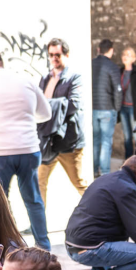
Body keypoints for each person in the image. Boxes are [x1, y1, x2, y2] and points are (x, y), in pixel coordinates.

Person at [0, 49, 52, 249]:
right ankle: (43, 247)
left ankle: (10, 247)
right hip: (28, 149)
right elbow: (45, 113)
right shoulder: (26, 81)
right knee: (33, 199)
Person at [38, 38, 88, 205]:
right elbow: (38, 105)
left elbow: (74, 104)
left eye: (57, 55)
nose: (54, 58)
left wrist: (48, 105)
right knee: (39, 182)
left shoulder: (74, 78)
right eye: (51, 55)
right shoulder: (45, 78)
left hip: (68, 142)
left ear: (66, 55)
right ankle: (39, 225)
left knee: (80, 184)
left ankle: (104, 215)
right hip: (49, 141)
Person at [91, 39, 122, 177]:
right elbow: (118, 90)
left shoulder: (90, 64)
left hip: (92, 108)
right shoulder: (112, 67)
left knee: (95, 140)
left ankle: (93, 170)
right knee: (106, 142)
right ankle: (104, 173)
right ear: (111, 50)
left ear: (98, 49)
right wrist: (116, 108)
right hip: (107, 108)